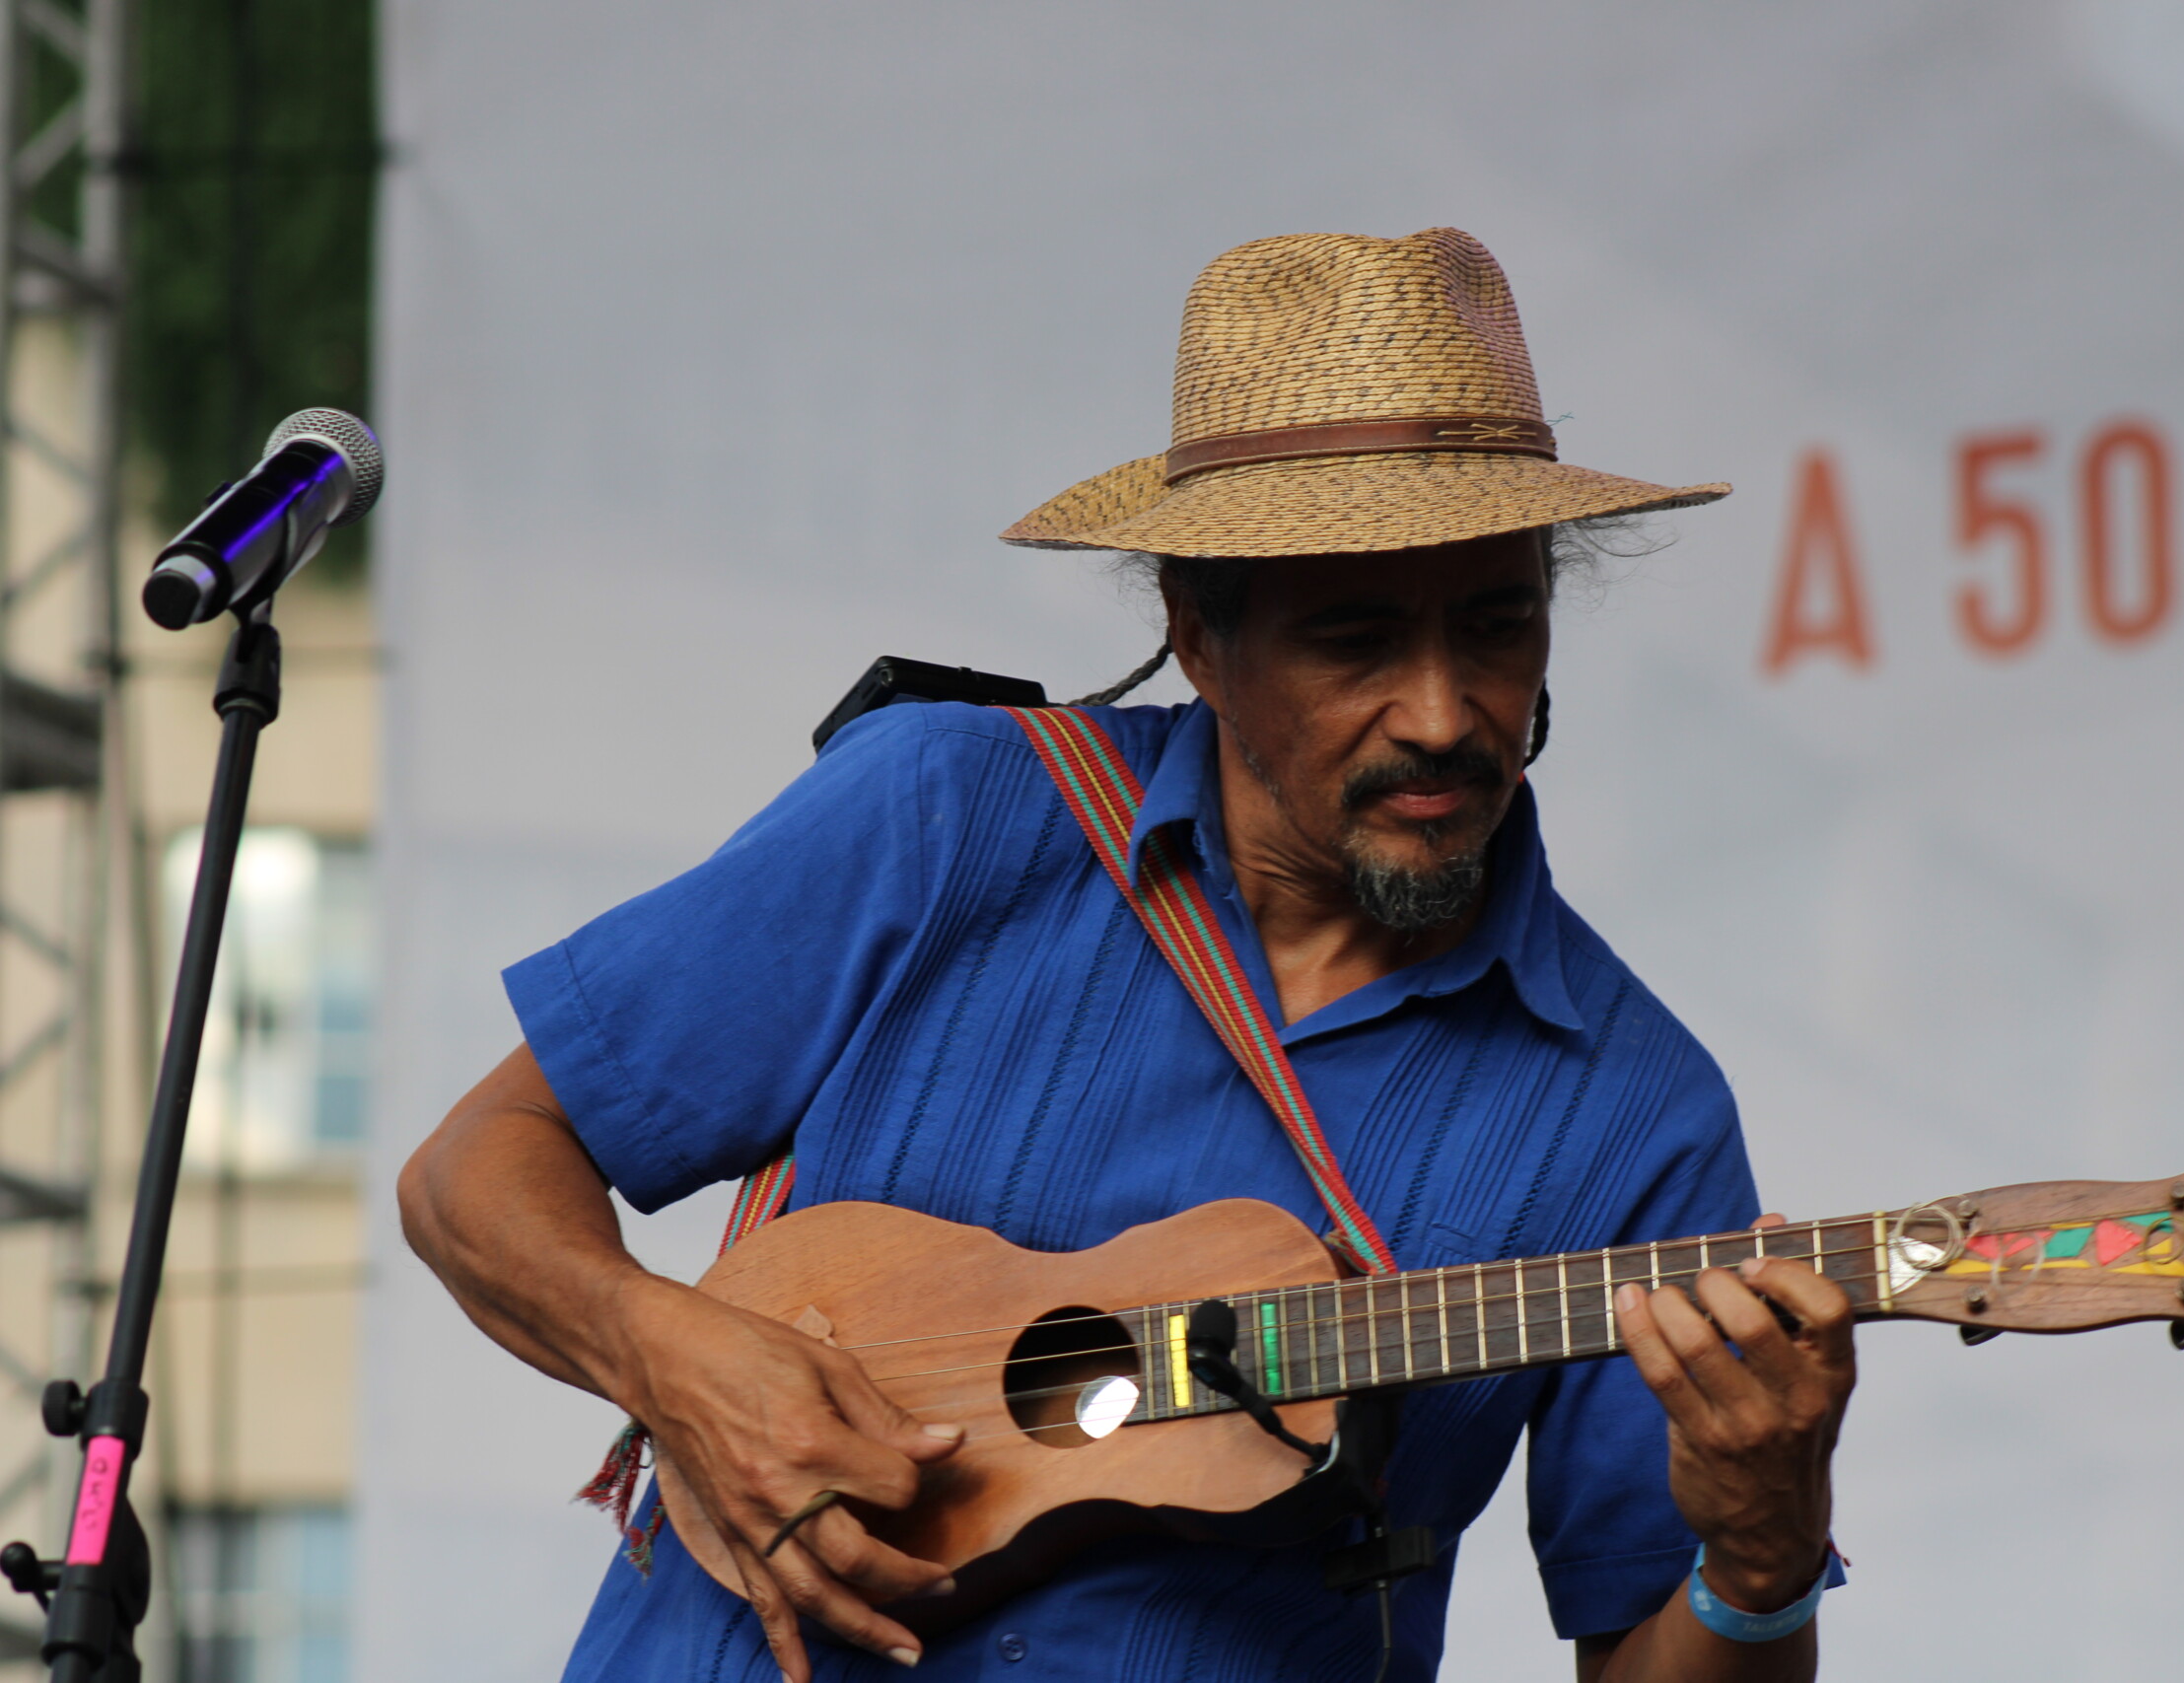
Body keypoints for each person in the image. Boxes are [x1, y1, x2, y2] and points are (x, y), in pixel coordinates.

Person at [399, 228, 1857, 1683]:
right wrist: (673, 1359)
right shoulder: (943, 814)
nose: (1438, 711)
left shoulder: (1636, 1111)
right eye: (1356, 640)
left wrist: (1760, 1563)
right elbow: (474, 1170)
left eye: (1497, 625)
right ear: (1200, 640)